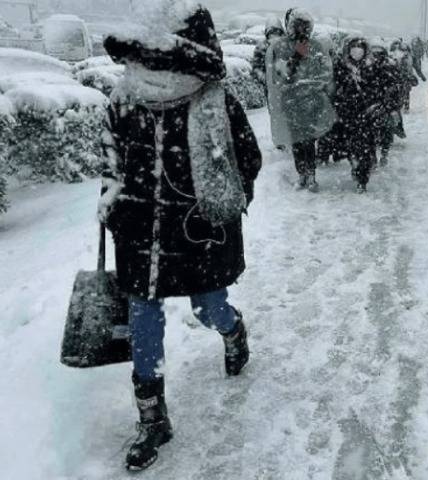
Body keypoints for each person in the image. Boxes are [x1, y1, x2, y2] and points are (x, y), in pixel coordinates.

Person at [98, 2, 262, 471]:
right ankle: (152, 419)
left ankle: (232, 330)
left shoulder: (214, 101)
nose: (150, 66)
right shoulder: (122, 99)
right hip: (139, 234)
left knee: (208, 307)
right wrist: (112, 201)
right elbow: (110, 159)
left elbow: (247, 162)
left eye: (159, 55)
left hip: (199, 233)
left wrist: (216, 204)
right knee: (143, 320)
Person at [266, 8, 336, 192]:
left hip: (311, 102)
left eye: (304, 26)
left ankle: (311, 175)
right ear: (290, 26)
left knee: (309, 140)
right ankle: (302, 174)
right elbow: (278, 75)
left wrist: (311, 86)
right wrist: (295, 60)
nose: (300, 30)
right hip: (290, 102)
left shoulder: (316, 46)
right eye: (296, 26)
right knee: (296, 140)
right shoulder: (280, 47)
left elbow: (325, 73)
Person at [332, 37, 381, 193]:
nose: (357, 51)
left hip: (366, 114)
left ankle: (362, 179)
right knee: (351, 147)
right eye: (354, 47)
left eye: (360, 48)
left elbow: (377, 89)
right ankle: (355, 166)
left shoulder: (372, 67)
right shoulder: (341, 67)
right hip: (347, 114)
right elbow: (335, 89)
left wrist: (374, 106)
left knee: (365, 148)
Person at [369, 39, 402, 167]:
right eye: (374, 53)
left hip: (387, 104)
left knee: (388, 129)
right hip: (371, 104)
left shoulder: (391, 66)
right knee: (368, 132)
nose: (376, 56)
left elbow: (397, 86)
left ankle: (384, 153)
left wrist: (393, 104)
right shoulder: (367, 67)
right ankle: (373, 157)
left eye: (379, 53)